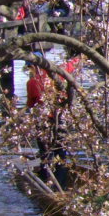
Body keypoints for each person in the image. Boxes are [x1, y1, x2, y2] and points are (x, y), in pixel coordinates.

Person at [25, 58, 68, 186]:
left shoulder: (32, 82)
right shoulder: (57, 75)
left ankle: (46, 182)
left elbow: (31, 103)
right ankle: (61, 184)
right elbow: (70, 65)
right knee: (61, 152)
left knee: (46, 153)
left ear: (33, 67)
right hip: (59, 119)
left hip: (43, 120)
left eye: (29, 68)